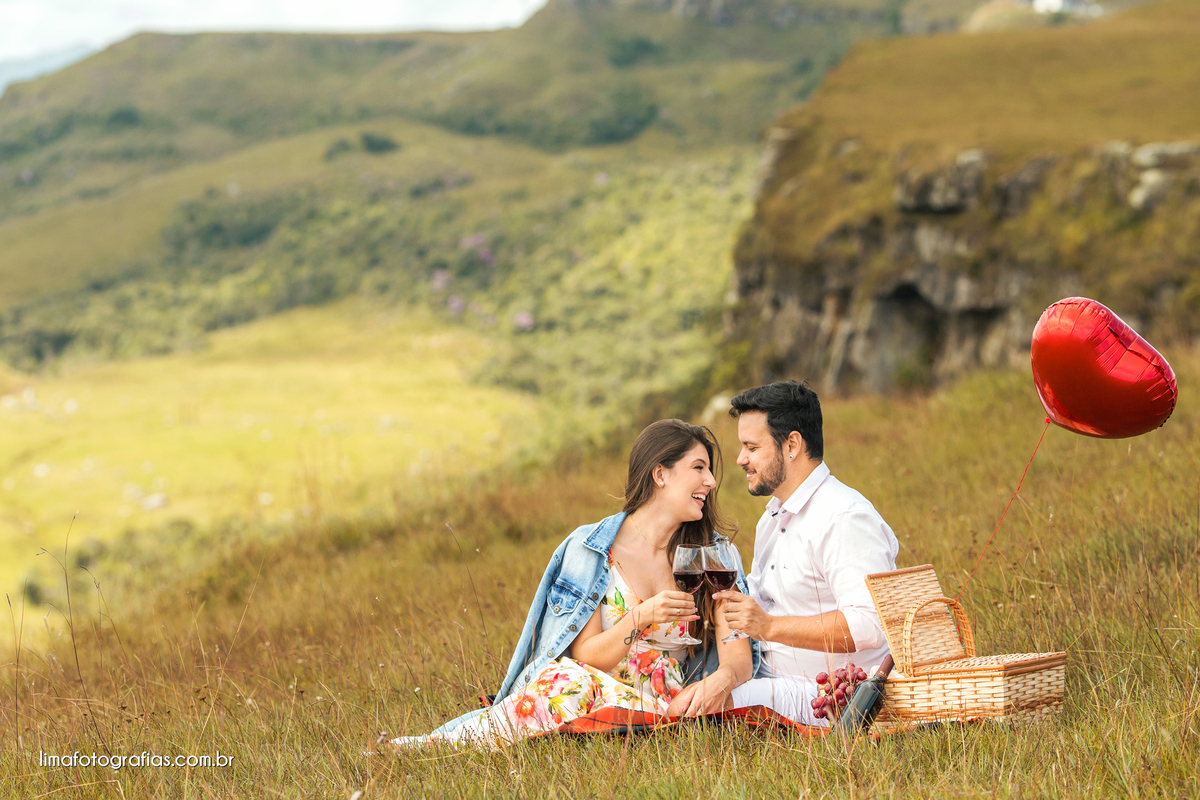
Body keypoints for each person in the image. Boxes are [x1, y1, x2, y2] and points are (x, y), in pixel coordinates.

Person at [392, 419, 755, 748]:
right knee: (568, 678)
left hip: (663, 699)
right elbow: (588, 655)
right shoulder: (593, 548)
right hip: (591, 686)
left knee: (568, 685)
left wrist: (717, 682)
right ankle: (449, 745)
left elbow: (738, 657)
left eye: (709, 470)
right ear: (660, 474)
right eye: (698, 468)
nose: (710, 481)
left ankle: (454, 744)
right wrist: (642, 614)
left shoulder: (713, 555)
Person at [714, 381, 899, 726]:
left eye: (751, 447)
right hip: (764, 669)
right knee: (675, 681)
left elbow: (870, 625)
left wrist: (768, 627)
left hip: (828, 696)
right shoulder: (773, 514)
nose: (741, 459)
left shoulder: (844, 518)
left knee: (711, 704)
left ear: (792, 445)